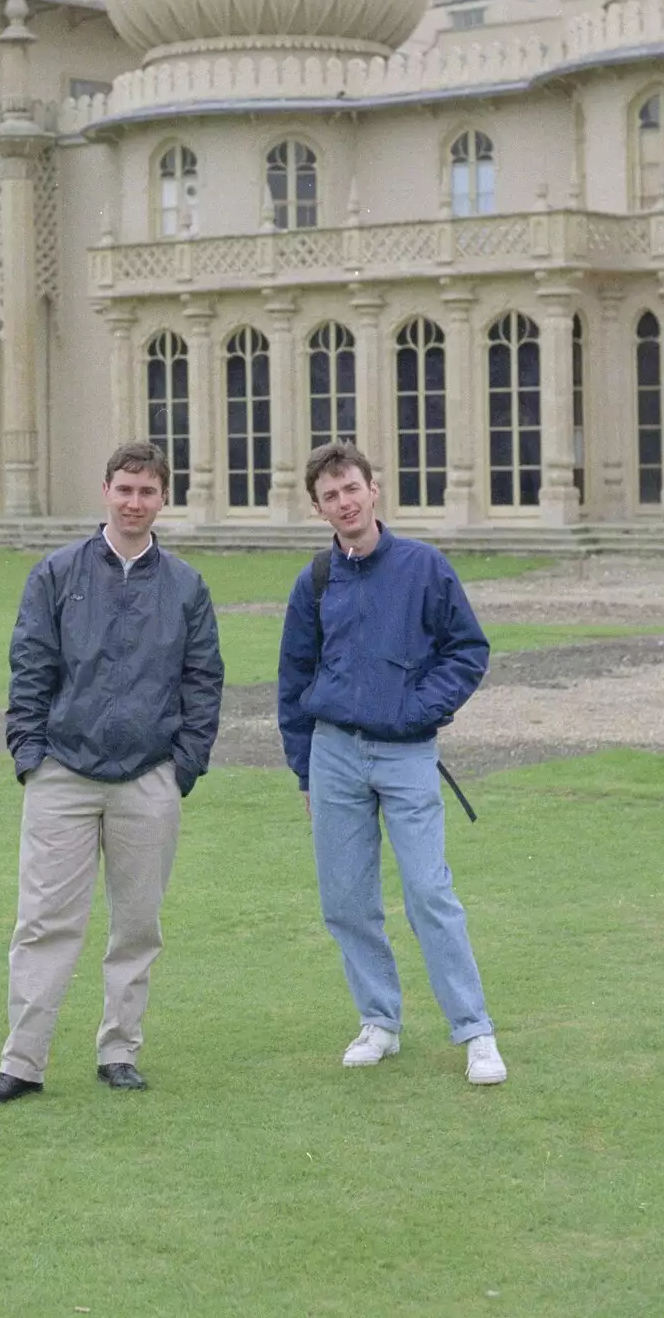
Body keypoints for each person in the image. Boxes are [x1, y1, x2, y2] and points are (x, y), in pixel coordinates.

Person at [0, 442, 224, 1104]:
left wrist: (183, 765)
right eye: (124, 490)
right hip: (64, 774)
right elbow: (31, 667)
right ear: (105, 491)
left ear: (163, 499)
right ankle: (22, 1061)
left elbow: (203, 681)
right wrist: (30, 755)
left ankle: (119, 1050)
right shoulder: (57, 574)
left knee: (136, 925)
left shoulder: (187, 587)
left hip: (148, 777)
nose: (134, 502)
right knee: (45, 921)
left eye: (147, 492)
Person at [277, 442, 507, 1086]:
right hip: (334, 756)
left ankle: (475, 1030)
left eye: (352, 488)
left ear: (374, 490)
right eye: (330, 496)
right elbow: (294, 679)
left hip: (407, 755)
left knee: (429, 892)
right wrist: (304, 770)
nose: (344, 502)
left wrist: (415, 710)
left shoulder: (424, 567)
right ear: (318, 509)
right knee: (346, 900)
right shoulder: (315, 581)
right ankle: (379, 1020)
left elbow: (467, 650)